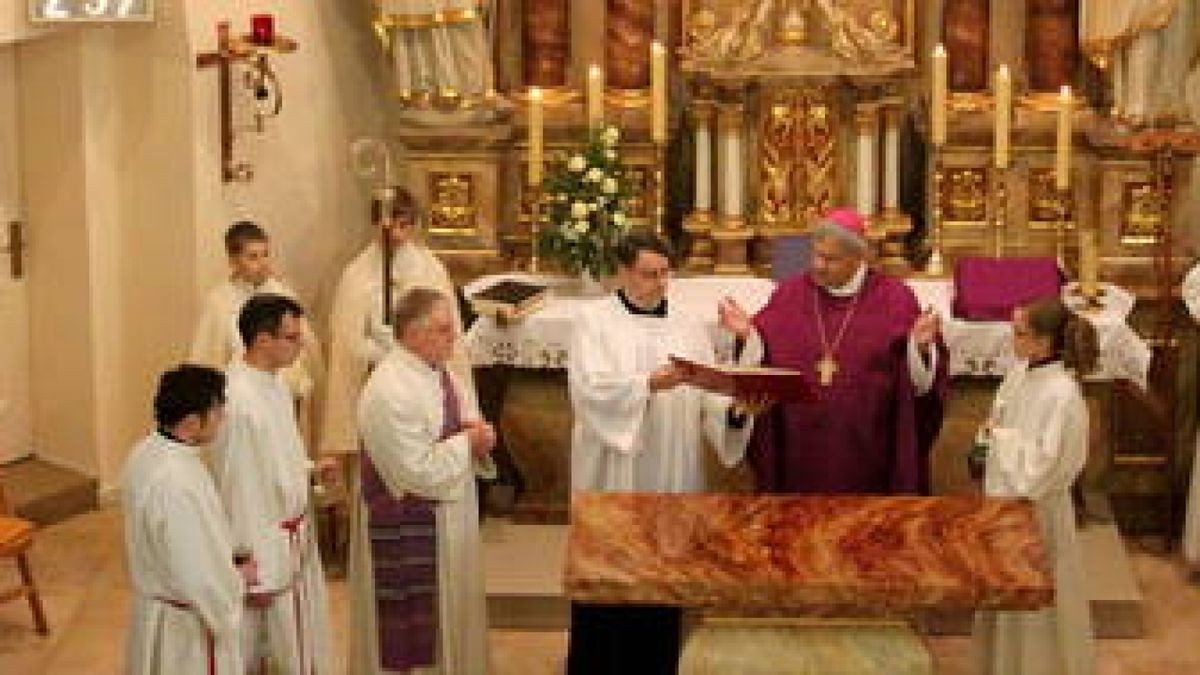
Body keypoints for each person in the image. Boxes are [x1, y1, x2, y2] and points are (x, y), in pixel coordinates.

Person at [718, 207, 947, 494]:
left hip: (868, 450)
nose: (817, 265)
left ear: (859, 258)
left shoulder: (895, 299)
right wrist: (748, 335)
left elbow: (919, 385)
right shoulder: (790, 293)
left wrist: (920, 349)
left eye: (830, 259)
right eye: (815, 253)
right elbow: (762, 353)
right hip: (798, 450)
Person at [351, 287, 494, 674]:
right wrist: (469, 442)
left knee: (452, 622)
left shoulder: (438, 371)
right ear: (413, 334)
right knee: (417, 639)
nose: (455, 339)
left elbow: (459, 421)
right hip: (411, 522)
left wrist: (476, 436)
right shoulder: (389, 389)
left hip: (448, 520)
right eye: (445, 330)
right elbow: (416, 471)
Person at [568, 232, 751, 492]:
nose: (661, 282)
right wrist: (647, 384)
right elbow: (588, 389)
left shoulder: (688, 322)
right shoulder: (594, 320)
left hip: (675, 450)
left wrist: (734, 412)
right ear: (623, 272)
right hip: (616, 459)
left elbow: (708, 389)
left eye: (665, 273)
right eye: (649, 274)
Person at [210, 294, 333, 674]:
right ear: (262, 340)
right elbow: (239, 487)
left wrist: (308, 470)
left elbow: (274, 458)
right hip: (265, 549)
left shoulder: (274, 383)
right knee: (267, 653)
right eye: (292, 337)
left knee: (299, 645)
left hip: (291, 540)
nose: (300, 346)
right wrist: (251, 563)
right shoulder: (238, 400)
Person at [974, 296, 1097, 675]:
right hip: (1005, 508)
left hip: (1039, 517)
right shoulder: (1021, 372)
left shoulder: (1063, 395)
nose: (1012, 339)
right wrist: (988, 437)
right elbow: (1000, 418)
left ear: (1045, 342)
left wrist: (1001, 439)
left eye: (1020, 333)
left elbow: (1044, 470)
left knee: (1038, 616)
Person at [322, 187, 471, 460]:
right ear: (375, 224)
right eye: (388, 225)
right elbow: (346, 341)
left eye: (404, 226)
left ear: (414, 225)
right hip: (378, 380)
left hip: (426, 381)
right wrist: (384, 354)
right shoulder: (357, 274)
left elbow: (450, 333)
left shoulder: (430, 269)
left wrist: (416, 356)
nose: (395, 234)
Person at [122, 364, 250, 675]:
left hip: (156, 614)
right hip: (186, 633)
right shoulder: (177, 481)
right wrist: (235, 584)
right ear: (192, 422)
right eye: (218, 412)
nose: (223, 419)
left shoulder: (145, 453)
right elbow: (198, 573)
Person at [189, 220, 324, 447]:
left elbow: (306, 350)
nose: (262, 264)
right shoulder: (219, 302)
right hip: (243, 408)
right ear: (233, 260)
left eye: (265, 255)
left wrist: (301, 377)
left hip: (284, 401)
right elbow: (207, 362)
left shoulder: (282, 294)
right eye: (253, 257)